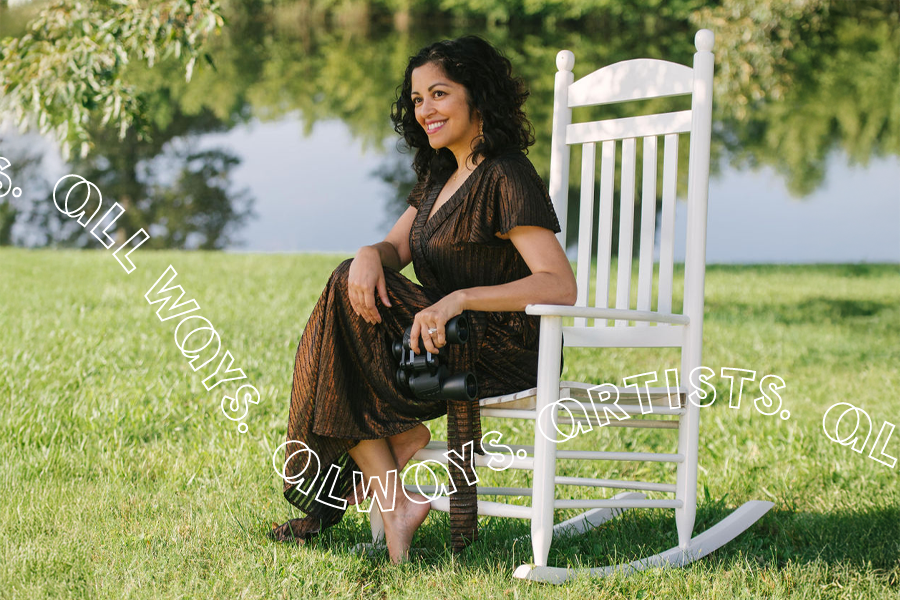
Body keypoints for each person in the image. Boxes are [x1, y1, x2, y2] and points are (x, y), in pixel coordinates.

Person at [270, 35, 577, 563]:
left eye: (438, 94)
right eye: (416, 100)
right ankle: (397, 495)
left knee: (339, 332)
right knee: (346, 298)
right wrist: (370, 254)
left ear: (476, 97)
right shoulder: (440, 174)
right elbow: (396, 247)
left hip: (499, 348)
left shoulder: (506, 174)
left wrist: (460, 298)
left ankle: (393, 463)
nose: (425, 111)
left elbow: (558, 284)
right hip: (434, 339)